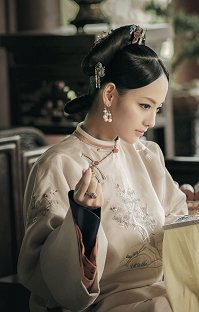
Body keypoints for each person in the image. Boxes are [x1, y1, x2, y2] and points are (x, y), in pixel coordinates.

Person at [17, 24, 188, 312]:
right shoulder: (59, 164)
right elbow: (43, 275)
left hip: (162, 292)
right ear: (109, 95)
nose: (152, 122)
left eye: (157, 109)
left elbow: (178, 219)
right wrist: (84, 219)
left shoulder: (148, 155)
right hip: (103, 303)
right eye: (145, 106)